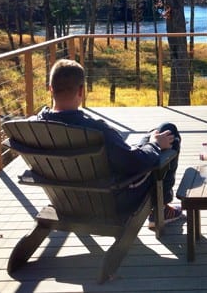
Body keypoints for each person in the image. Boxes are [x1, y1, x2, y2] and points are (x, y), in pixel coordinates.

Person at [33, 59, 182, 228]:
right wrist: (155, 145)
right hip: (113, 199)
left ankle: (152, 141)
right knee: (169, 133)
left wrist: (150, 142)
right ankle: (161, 209)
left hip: (66, 201)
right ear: (81, 90)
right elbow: (133, 163)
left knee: (155, 132)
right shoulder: (96, 130)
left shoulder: (36, 127)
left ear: (50, 89)